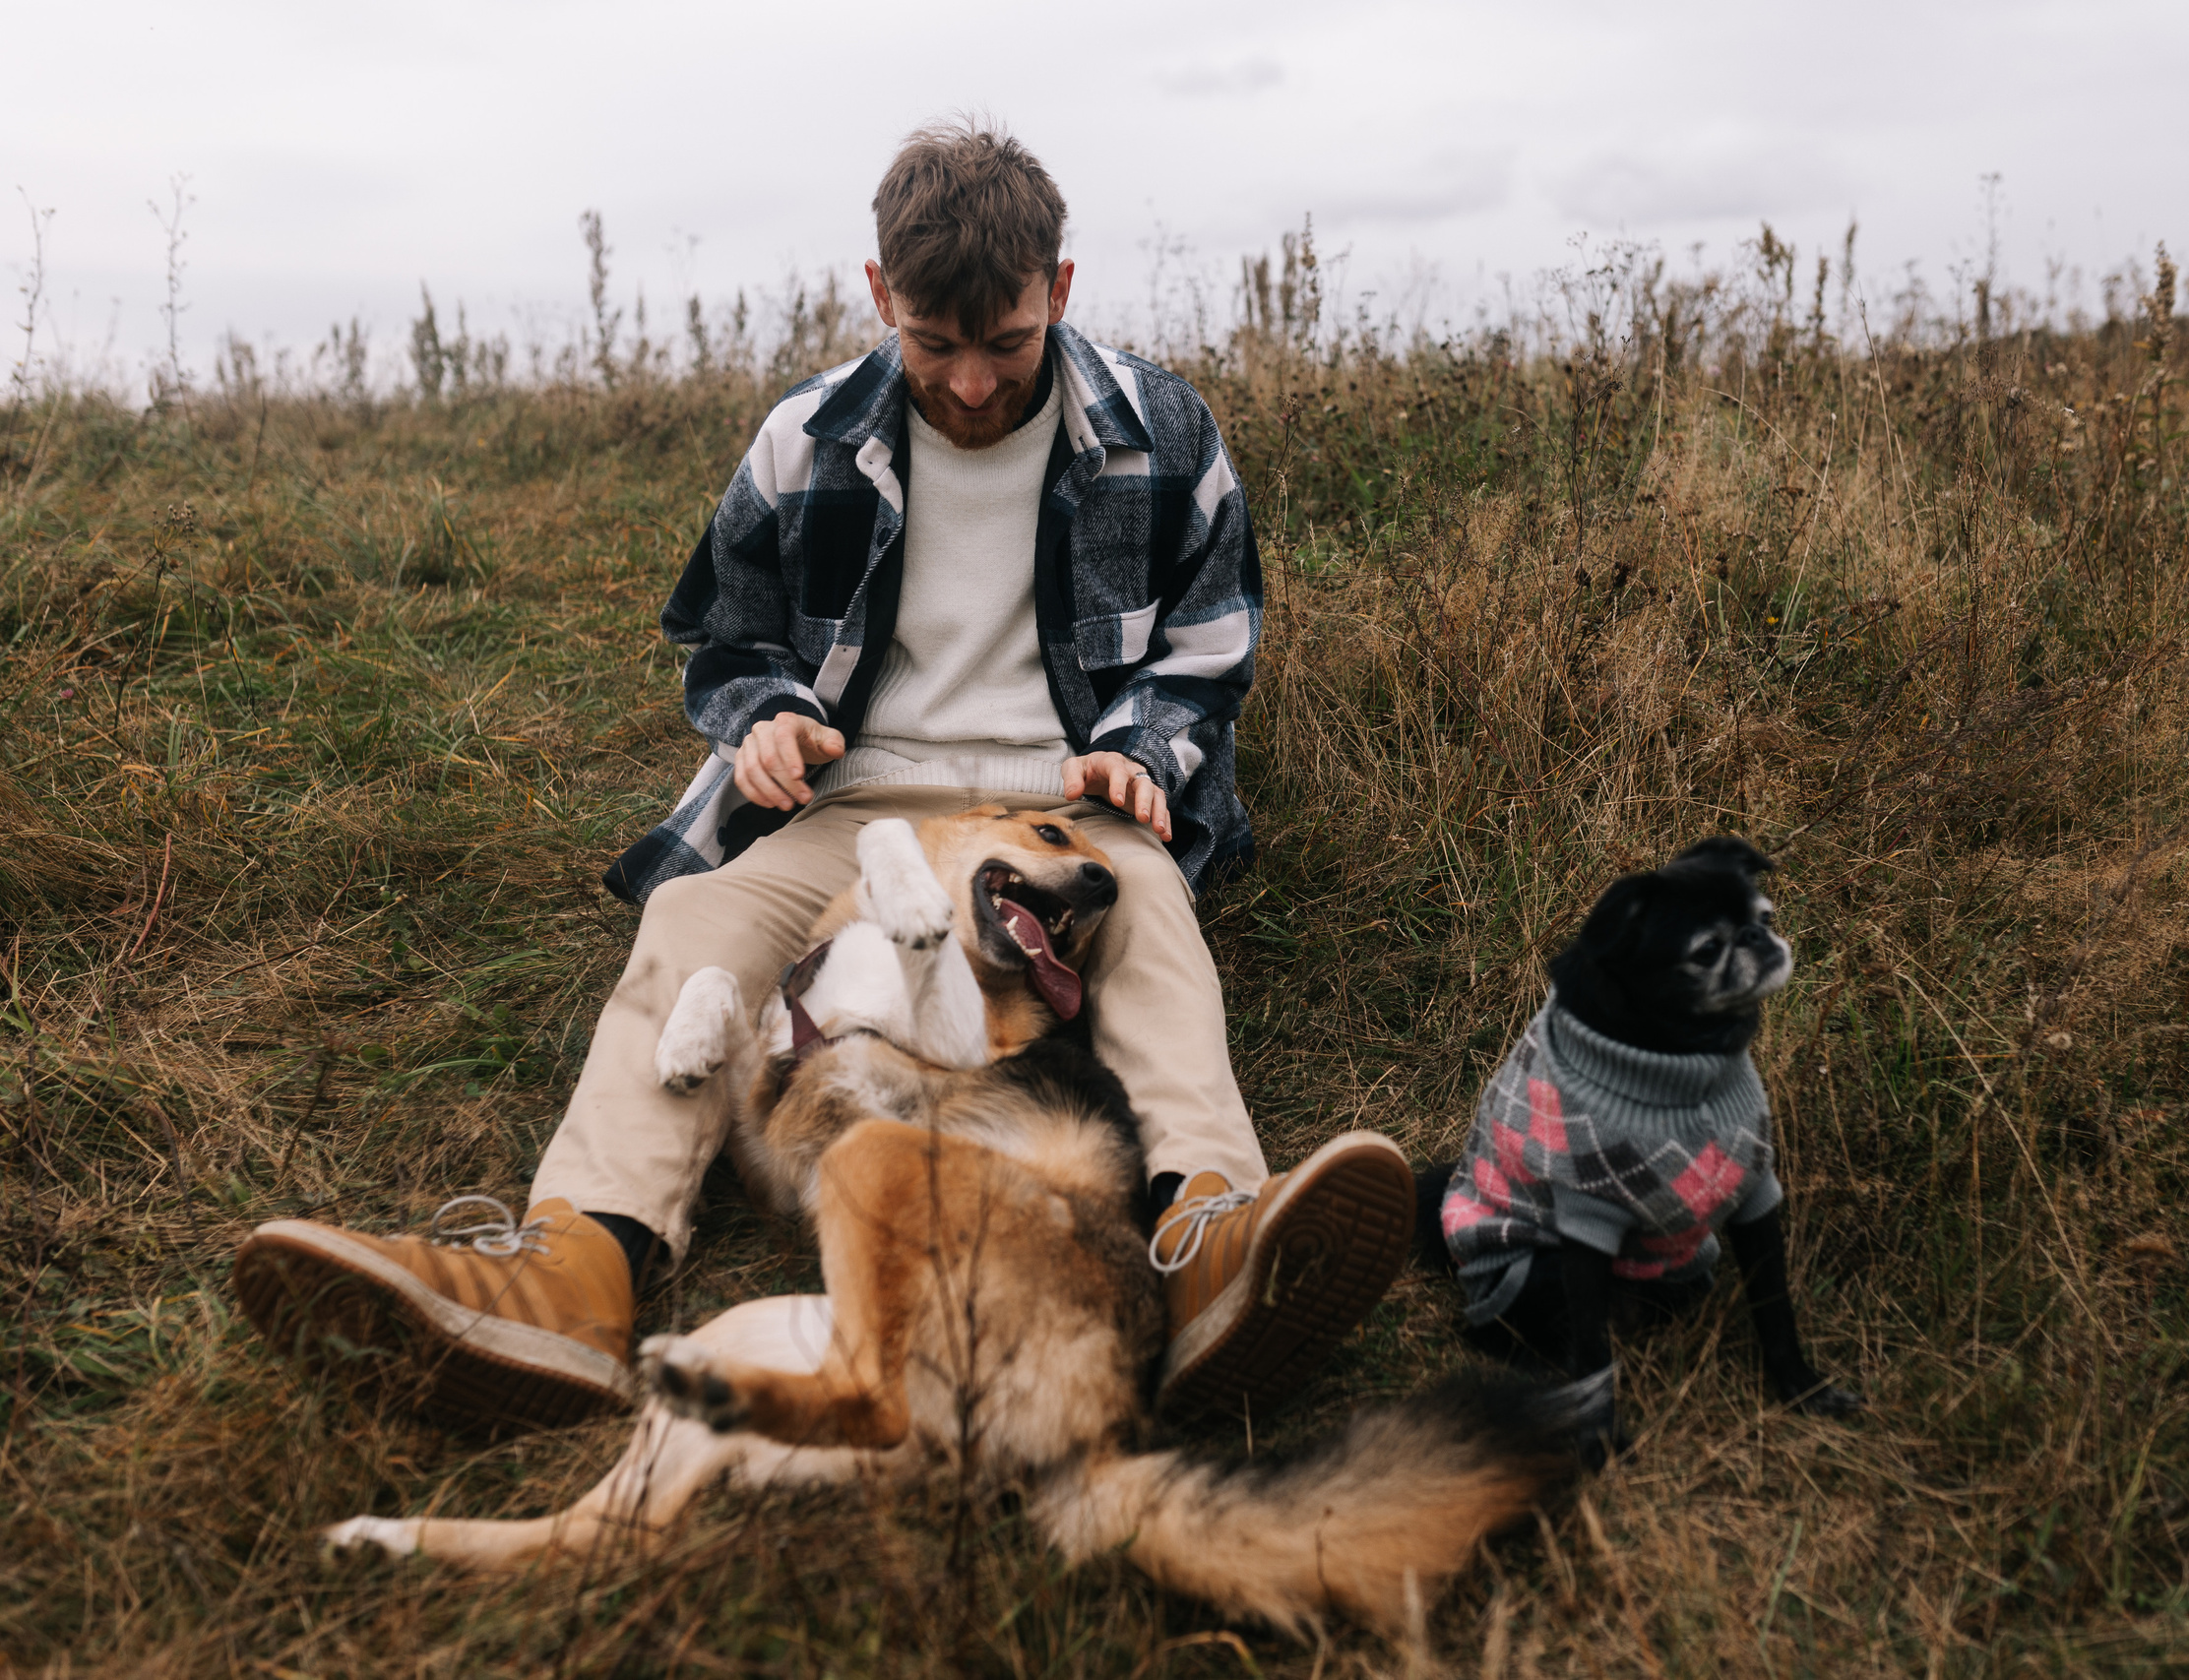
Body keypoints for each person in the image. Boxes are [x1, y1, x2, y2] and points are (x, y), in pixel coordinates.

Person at [231, 121, 1414, 1434]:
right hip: (846, 811)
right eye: (934, 344)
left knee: (1151, 916)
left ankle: (1210, 1251)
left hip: (1057, 801)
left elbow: (1210, 647)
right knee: (689, 926)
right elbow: (727, 636)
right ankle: (571, 1278)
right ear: (878, 297)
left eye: (1007, 342)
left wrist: (1143, 755)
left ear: (1059, 292)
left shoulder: (1161, 426)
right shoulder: (807, 438)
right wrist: (771, 715)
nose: (970, 383)